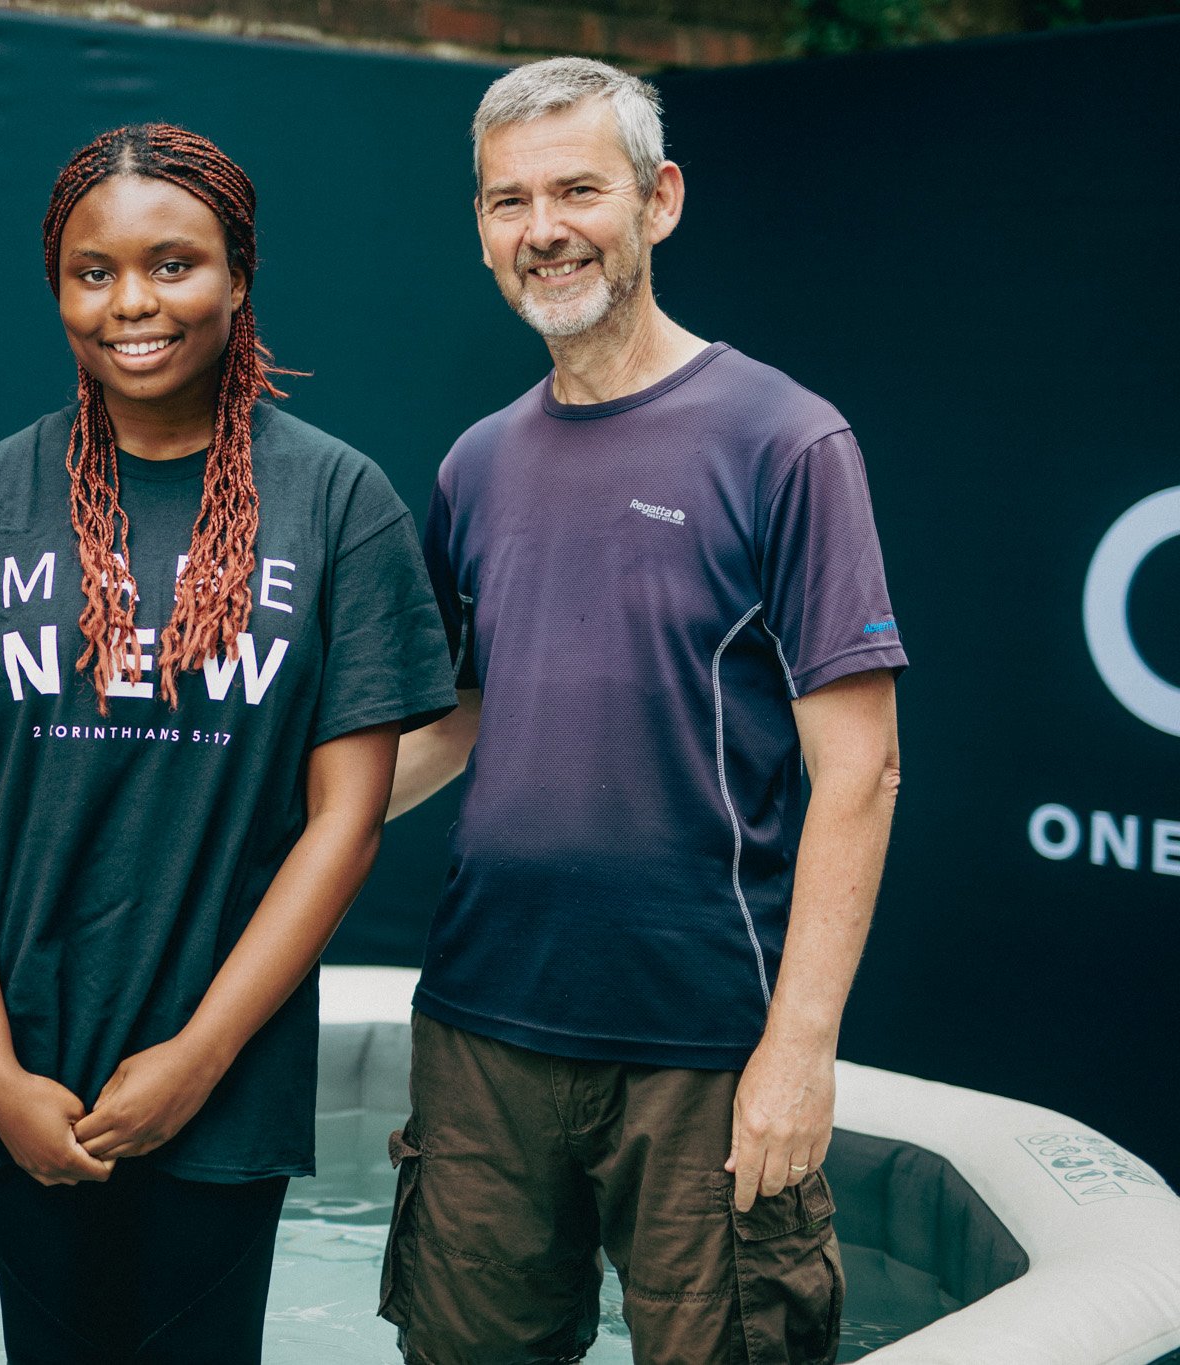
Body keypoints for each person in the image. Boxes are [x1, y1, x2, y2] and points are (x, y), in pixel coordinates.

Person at [0, 123, 457, 1364]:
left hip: (223, 1082)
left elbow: (344, 816)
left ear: (237, 276)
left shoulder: (338, 502)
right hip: (24, 1067)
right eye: (92, 271)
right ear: (58, 286)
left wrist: (198, 1056)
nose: (131, 302)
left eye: (172, 265)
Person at [381, 59, 907, 1365]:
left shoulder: (787, 441)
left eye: (577, 189)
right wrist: (251, 806)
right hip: (483, 1032)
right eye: (509, 200)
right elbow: (460, 718)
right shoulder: (477, 462)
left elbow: (863, 771)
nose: (543, 228)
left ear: (658, 199)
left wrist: (798, 1054)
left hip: (705, 1048)